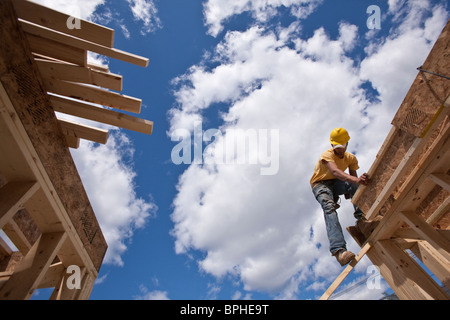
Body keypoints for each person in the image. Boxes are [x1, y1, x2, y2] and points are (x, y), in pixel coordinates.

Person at [310, 128, 370, 266]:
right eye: (337, 147)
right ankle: (339, 251)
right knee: (329, 208)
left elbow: (354, 179)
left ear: (347, 143)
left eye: (342, 146)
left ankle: (362, 221)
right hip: (320, 184)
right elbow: (335, 172)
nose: (340, 149)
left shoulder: (351, 158)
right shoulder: (327, 155)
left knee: (354, 183)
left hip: (337, 184)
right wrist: (355, 181)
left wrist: (358, 183)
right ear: (332, 145)